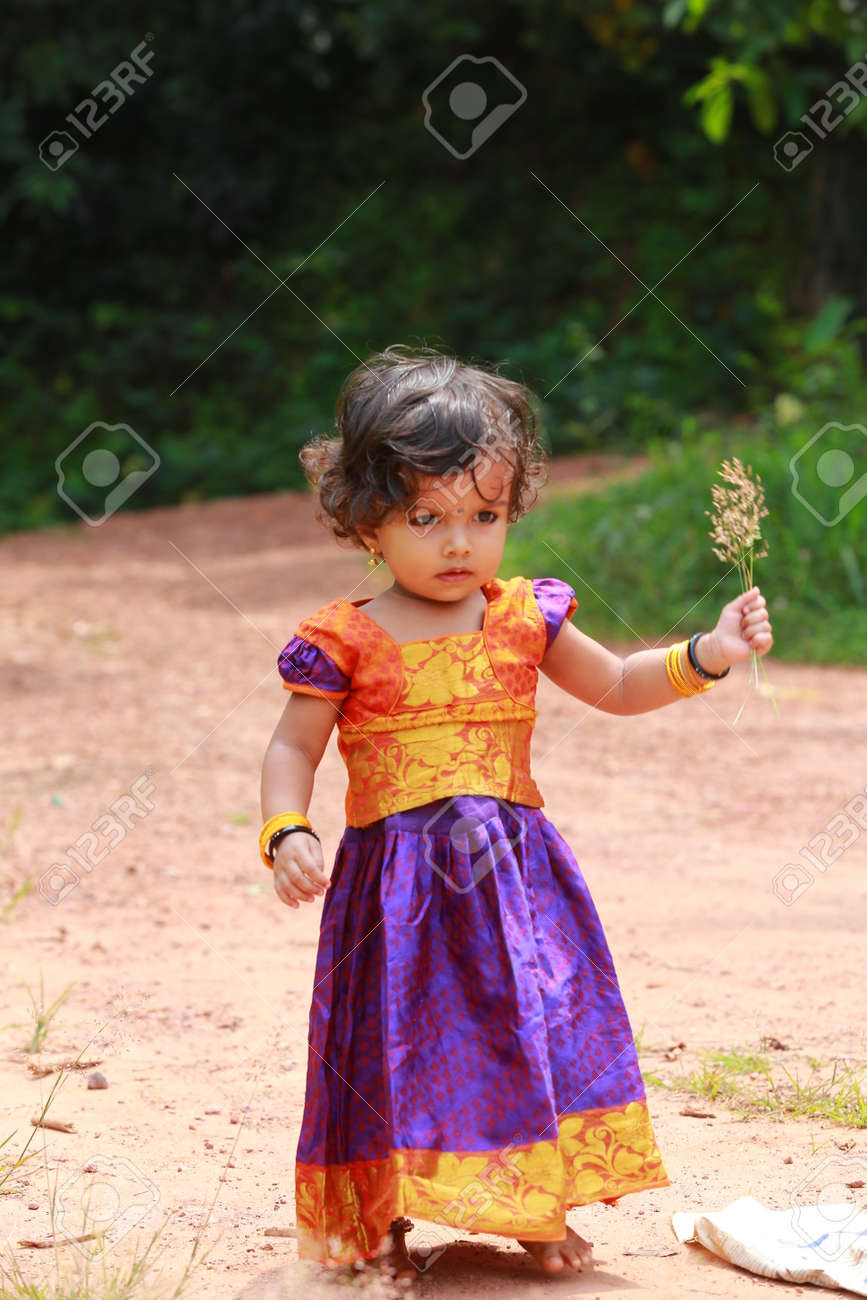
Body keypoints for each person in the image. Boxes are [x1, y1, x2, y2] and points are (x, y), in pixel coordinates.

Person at [259, 346, 773, 1289]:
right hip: (394, 897)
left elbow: (617, 684)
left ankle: (536, 1212)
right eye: (428, 517)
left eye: (484, 516)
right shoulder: (343, 639)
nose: (461, 543)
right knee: (391, 1049)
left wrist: (708, 651)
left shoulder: (523, 616)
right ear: (366, 519)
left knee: (527, 1030)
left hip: (513, 886)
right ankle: (384, 1217)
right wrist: (286, 829)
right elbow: (292, 748)